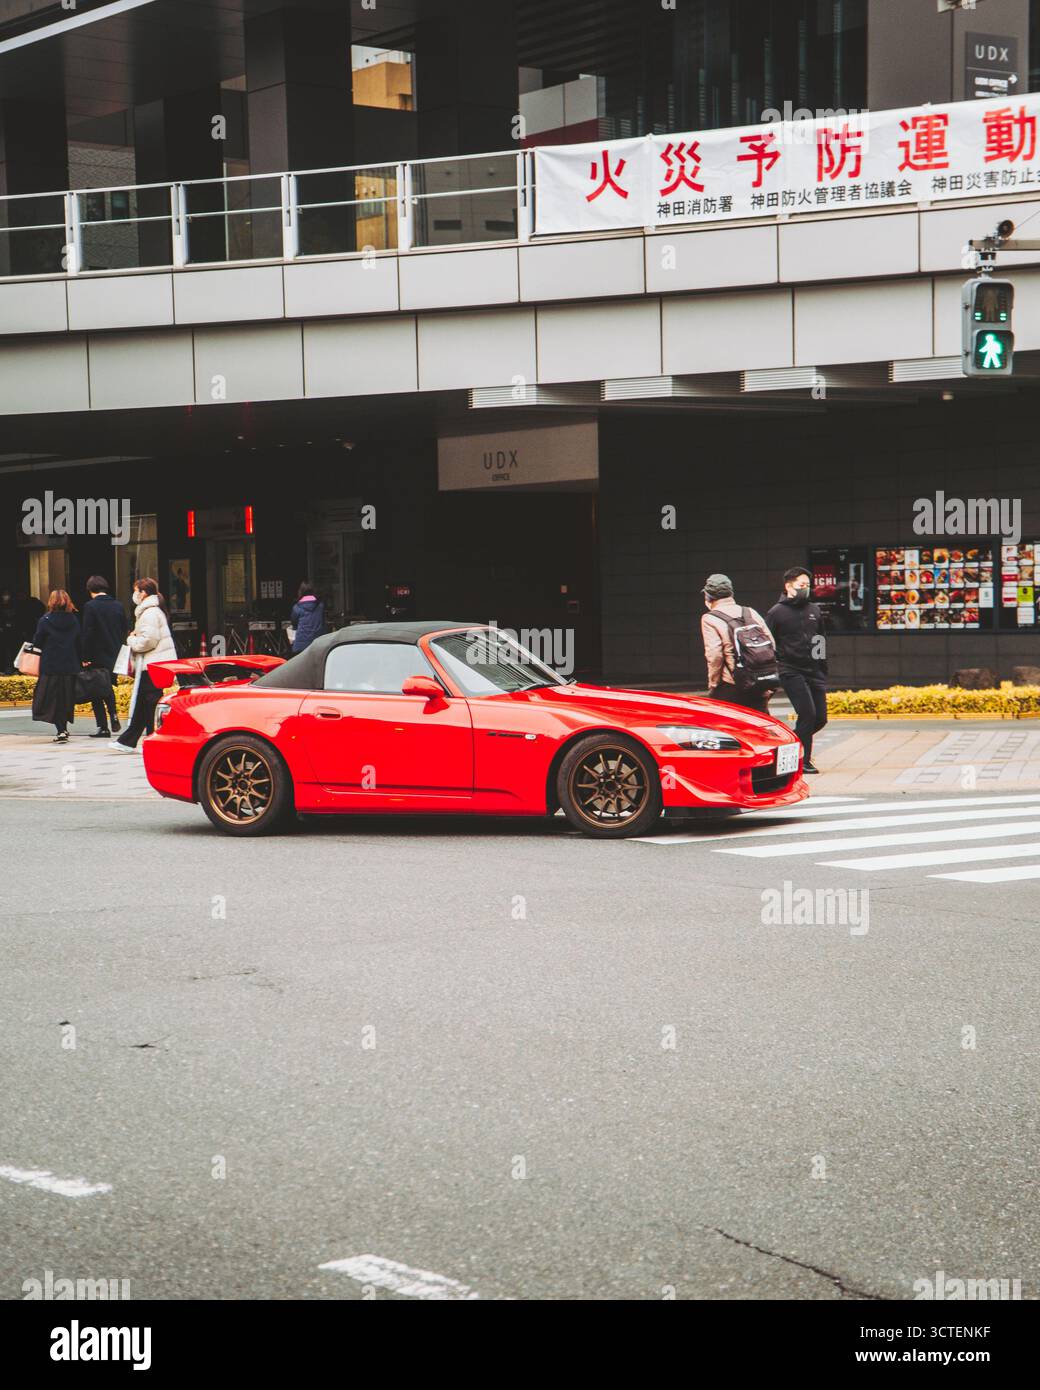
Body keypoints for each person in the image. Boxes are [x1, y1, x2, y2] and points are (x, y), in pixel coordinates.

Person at [766, 566, 828, 773]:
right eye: (802, 585)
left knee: (821, 718)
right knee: (807, 714)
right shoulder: (776, 613)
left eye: (808, 586)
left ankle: (789, 745)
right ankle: (803, 762)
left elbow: (821, 639)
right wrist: (776, 668)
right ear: (788, 586)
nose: (806, 589)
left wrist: (822, 669)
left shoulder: (814, 610)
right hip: (790, 670)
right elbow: (769, 643)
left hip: (814, 671)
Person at [113, 578, 176, 751]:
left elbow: (148, 640)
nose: (134, 594)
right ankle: (130, 741)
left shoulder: (149, 613)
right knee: (145, 702)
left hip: (153, 664)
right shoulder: (150, 611)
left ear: (143, 593)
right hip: (154, 664)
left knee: (149, 702)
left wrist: (131, 639)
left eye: (136, 590)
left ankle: (149, 740)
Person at [699, 573, 774, 713]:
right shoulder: (750, 612)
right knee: (761, 725)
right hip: (758, 681)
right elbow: (771, 643)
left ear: (708, 596)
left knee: (722, 727)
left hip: (732, 684)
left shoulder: (709, 618)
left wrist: (714, 683)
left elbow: (715, 655)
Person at [29, 590, 82, 743]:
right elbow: (79, 641)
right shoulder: (73, 620)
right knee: (66, 698)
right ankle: (63, 728)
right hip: (69, 664)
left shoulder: (45, 620)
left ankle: (61, 730)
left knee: (51, 697)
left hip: (50, 665)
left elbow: (38, 642)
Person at [81, 575, 128, 738]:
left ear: (90, 590)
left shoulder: (90, 606)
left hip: (96, 654)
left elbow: (88, 633)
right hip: (114, 655)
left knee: (96, 690)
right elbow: (124, 629)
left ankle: (102, 726)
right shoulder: (118, 605)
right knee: (107, 686)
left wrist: (85, 655)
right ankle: (114, 715)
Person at [290, 582, 326, 655]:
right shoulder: (320, 606)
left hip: (301, 644)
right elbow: (323, 622)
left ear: (301, 592)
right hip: (318, 643)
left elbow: (294, 624)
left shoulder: (296, 607)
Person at [0, 588, 16, 673]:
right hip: (2, 632)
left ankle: (10, 668)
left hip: (12, 632)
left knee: (10, 650)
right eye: (4, 595)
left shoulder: (14, 605)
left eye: (7, 595)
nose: (6, 596)